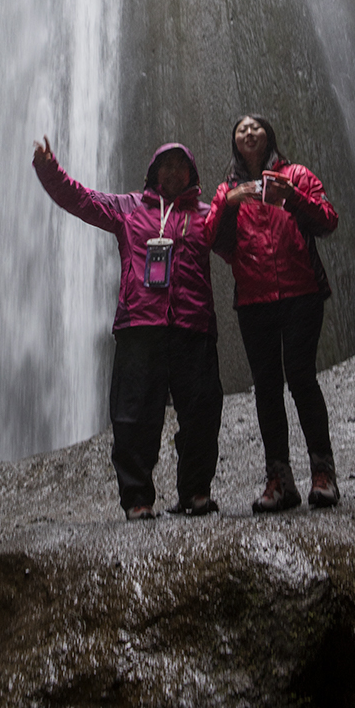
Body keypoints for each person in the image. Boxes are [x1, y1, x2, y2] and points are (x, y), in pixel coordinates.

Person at [33, 136, 223, 520]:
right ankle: (138, 498)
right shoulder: (129, 208)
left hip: (192, 325)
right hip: (140, 327)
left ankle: (196, 493)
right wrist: (49, 168)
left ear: (191, 174)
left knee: (202, 412)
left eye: (180, 166)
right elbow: (81, 199)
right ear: (154, 173)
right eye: (165, 166)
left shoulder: (205, 215)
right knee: (134, 415)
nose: (172, 172)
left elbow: (242, 242)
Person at [208, 114, 339, 513]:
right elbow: (209, 238)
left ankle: (323, 473)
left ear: (269, 135)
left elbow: (328, 219)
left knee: (300, 376)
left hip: (301, 293)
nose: (249, 132)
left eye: (256, 126)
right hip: (254, 299)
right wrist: (228, 204)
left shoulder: (295, 174)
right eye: (241, 128)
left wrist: (292, 197)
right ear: (234, 142)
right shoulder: (229, 189)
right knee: (266, 386)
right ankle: (279, 479)